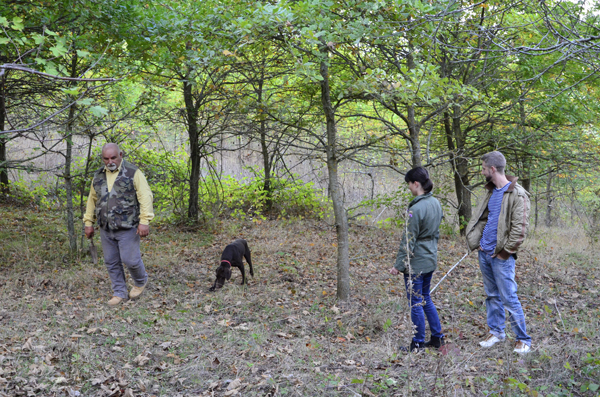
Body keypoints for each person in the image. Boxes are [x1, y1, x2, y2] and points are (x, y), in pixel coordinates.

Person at [465, 151, 532, 354]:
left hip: (501, 256)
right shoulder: (491, 191)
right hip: (484, 253)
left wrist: (505, 253)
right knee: (491, 295)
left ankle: (523, 339)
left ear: (492, 169)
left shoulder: (518, 194)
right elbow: (485, 219)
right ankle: (497, 332)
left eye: (484, 168)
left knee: (509, 297)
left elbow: (520, 229)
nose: (482, 172)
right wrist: (477, 242)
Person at [84, 143, 154, 306]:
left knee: (130, 260)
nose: (110, 161)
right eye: (106, 158)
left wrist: (144, 221)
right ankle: (119, 292)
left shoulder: (132, 172)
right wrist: (88, 222)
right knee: (111, 260)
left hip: (128, 225)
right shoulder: (98, 176)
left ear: (121, 154)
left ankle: (140, 280)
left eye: (113, 157)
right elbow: (92, 200)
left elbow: (145, 196)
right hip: (105, 226)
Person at [389, 167, 444, 352]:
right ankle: (437, 337)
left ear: (416, 184)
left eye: (409, 185)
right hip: (430, 258)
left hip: (417, 262)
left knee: (416, 303)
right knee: (426, 298)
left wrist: (398, 265)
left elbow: (409, 240)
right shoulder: (436, 203)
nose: (409, 189)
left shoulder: (416, 208)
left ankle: (418, 343)